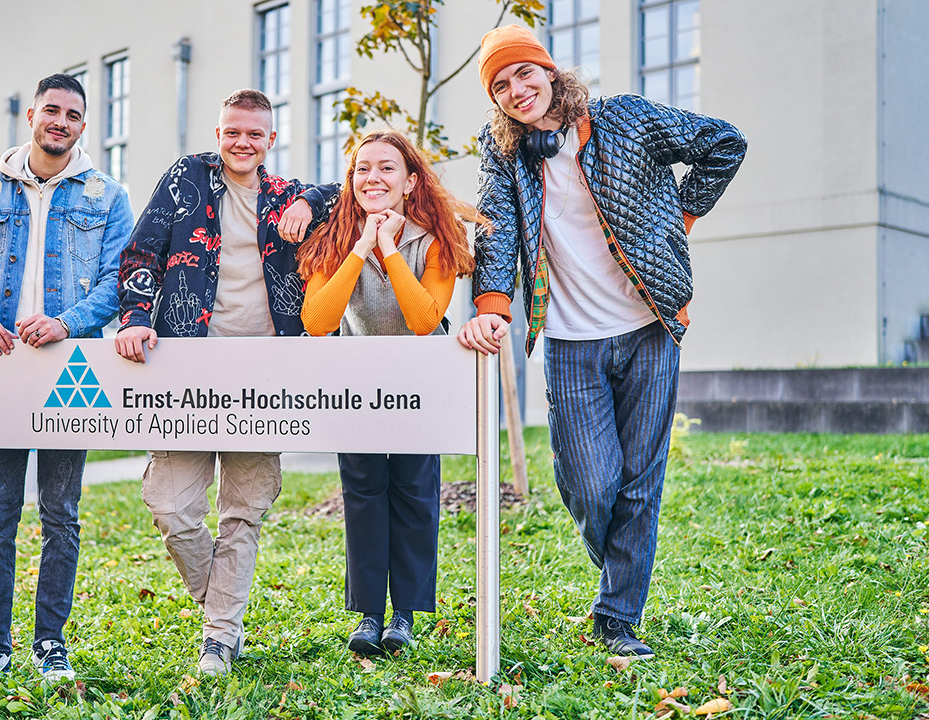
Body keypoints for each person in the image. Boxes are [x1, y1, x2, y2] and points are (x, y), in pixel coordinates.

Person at [457, 26, 746, 659]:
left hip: (650, 327)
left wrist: (680, 221)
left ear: (550, 72)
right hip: (569, 339)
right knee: (590, 484)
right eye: (500, 86)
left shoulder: (625, 119)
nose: (516, 90)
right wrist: (493, 304)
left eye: (524, 74)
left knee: (641, 479)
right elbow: (499, 226)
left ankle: (617, 617)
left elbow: (725, 144)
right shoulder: (505, 152)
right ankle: (623, 566)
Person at [113, 89, 338, 677]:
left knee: (245, 508)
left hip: (265, 371)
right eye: (233, 132)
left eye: (255, 135)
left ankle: (219, 638)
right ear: (219, 134)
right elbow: (141, 254)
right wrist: (136, 318)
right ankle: (224, 608)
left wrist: (310, 200)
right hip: (188, 367)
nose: (243, 143)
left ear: (270, 140)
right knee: (170, 504)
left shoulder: (286, 196)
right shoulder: (186, 178)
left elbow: (351, 194)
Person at [0, 73, 134, 682]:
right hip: (0, 372)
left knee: (61, 513)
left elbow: (116, 281)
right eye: (53, 111)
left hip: (69, 367)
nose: (62, 123)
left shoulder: (107, 197)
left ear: (82, 124)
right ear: (31, 115)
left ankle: (51, 642)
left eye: (74, 115)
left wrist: (68, 322)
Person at [299, 129, 475, 655]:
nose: (372, 177)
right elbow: (316, 320)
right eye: (362, 169)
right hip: (358, 384)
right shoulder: (333, 240)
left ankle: (405, 614)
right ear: (350, 182)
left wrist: (391, 249)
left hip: (420, 382)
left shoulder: (437, 239)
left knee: (415, 494)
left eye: (386, 168)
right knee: (364, 494)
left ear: (410, 181)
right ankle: (369, 615)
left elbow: (425, 319)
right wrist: (360, 248)